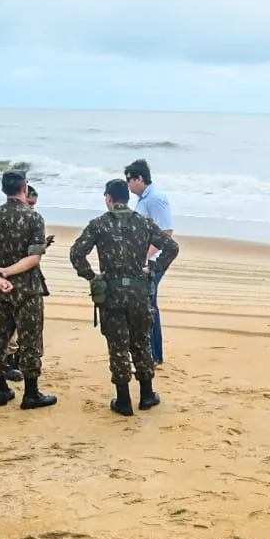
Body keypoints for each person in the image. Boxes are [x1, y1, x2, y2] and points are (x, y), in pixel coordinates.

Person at [70, 178, 179, 416]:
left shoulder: (98, 225)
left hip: (111, 294)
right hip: (139, 292)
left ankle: (123, 400)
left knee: (117, 345)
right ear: (126, 198)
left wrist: (92, 277)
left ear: (109, 198)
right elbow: (172, 247)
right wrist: (153, 268)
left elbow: (77, 253)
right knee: (140, 341)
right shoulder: (144, 222)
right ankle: (147, 395)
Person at [0, 170, 57, 410]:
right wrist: (8, 272)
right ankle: (31, 393)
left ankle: (1, 389)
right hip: (27, 289)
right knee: (30, 339)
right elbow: (34, 258)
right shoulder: (33, 218)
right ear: (24, 187)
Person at [125, 159, 173, 364]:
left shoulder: (155, 198)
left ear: (139, 179)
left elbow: (166, 233)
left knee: (149, 306)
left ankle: (155, 355)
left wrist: (145, 256)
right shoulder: (142, 200)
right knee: (144, 305)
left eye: (129, 179)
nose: (127, 184)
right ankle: (150, 353)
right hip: (141, 261)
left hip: (152, 262)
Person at [4, 184, 54, 381]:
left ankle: (16, 359)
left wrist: (42, 246)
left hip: (23, 277)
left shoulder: (31, 221)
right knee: (9, 325)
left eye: (34, 205)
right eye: (30, 203)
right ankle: (9, 361)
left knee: (26, 325)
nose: (32, 208)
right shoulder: (13, 221)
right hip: (12, 279)